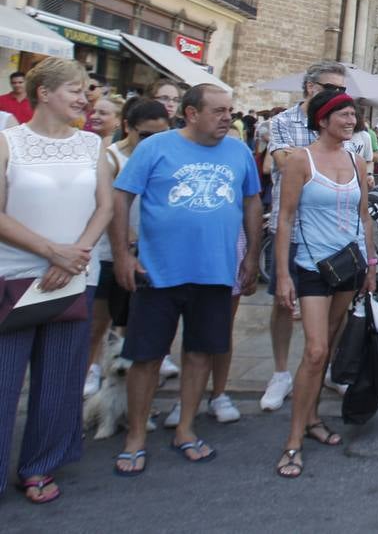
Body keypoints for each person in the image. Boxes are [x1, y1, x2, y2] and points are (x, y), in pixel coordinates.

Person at [110, 84, 262, 475]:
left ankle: (185, 428)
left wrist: (251, 256)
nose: (227, 117)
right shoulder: (155, 147)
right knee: (146, 357)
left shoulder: (239, 151)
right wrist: (123, 254)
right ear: (191, 113)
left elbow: (252, 201)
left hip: (215, 271)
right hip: (159, 272)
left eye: (230, 110)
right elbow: (121, 197)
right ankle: (136, 437)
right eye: (218, 111)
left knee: (199, 354)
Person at [0, 58, 111, 504]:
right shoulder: (8, 142)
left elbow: (104, 207)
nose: (84, 97)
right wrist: (53, 252)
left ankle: (40, 466)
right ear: (43, 93)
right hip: (15, 275)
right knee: (4, 377)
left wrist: (73, 256)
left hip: (74, 275)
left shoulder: (91, 145)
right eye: (74, 89)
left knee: (61, 378)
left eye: (86, 90)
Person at [272, 89, 378, 479]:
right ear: (323, 120)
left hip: (348, 263)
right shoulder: (300, 160)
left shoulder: (356, 160)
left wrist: (370, 263)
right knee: (315, 350)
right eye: (344, 116)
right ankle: (293, 439)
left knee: (329, 348)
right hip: (312, 266)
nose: (352, 121)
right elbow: (284, 218)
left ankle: (314, 418)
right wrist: (283, 274)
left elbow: (364, 216)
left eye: (354, 116)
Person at [262, 62, 359, 412]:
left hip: (333, 234)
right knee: (282, 302)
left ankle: (327, 367)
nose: (339, 97)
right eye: (331, 89)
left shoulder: (343, 132)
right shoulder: (283, 122)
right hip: (291, 230)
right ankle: (280, 371)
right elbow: (283, 163)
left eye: (343, 91)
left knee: (337, 308)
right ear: (309, 87)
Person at [86, 98, 171, 398]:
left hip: (147, 255)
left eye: (160, 135)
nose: (152, 141)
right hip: (109, 254)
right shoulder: (110, 159)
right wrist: (128, 237)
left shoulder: (164, 156)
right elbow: (105, 206)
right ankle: (89, 377)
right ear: (128, 128)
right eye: (145, 135)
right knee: (98, 325)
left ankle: (125, 393)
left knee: (132, 328)